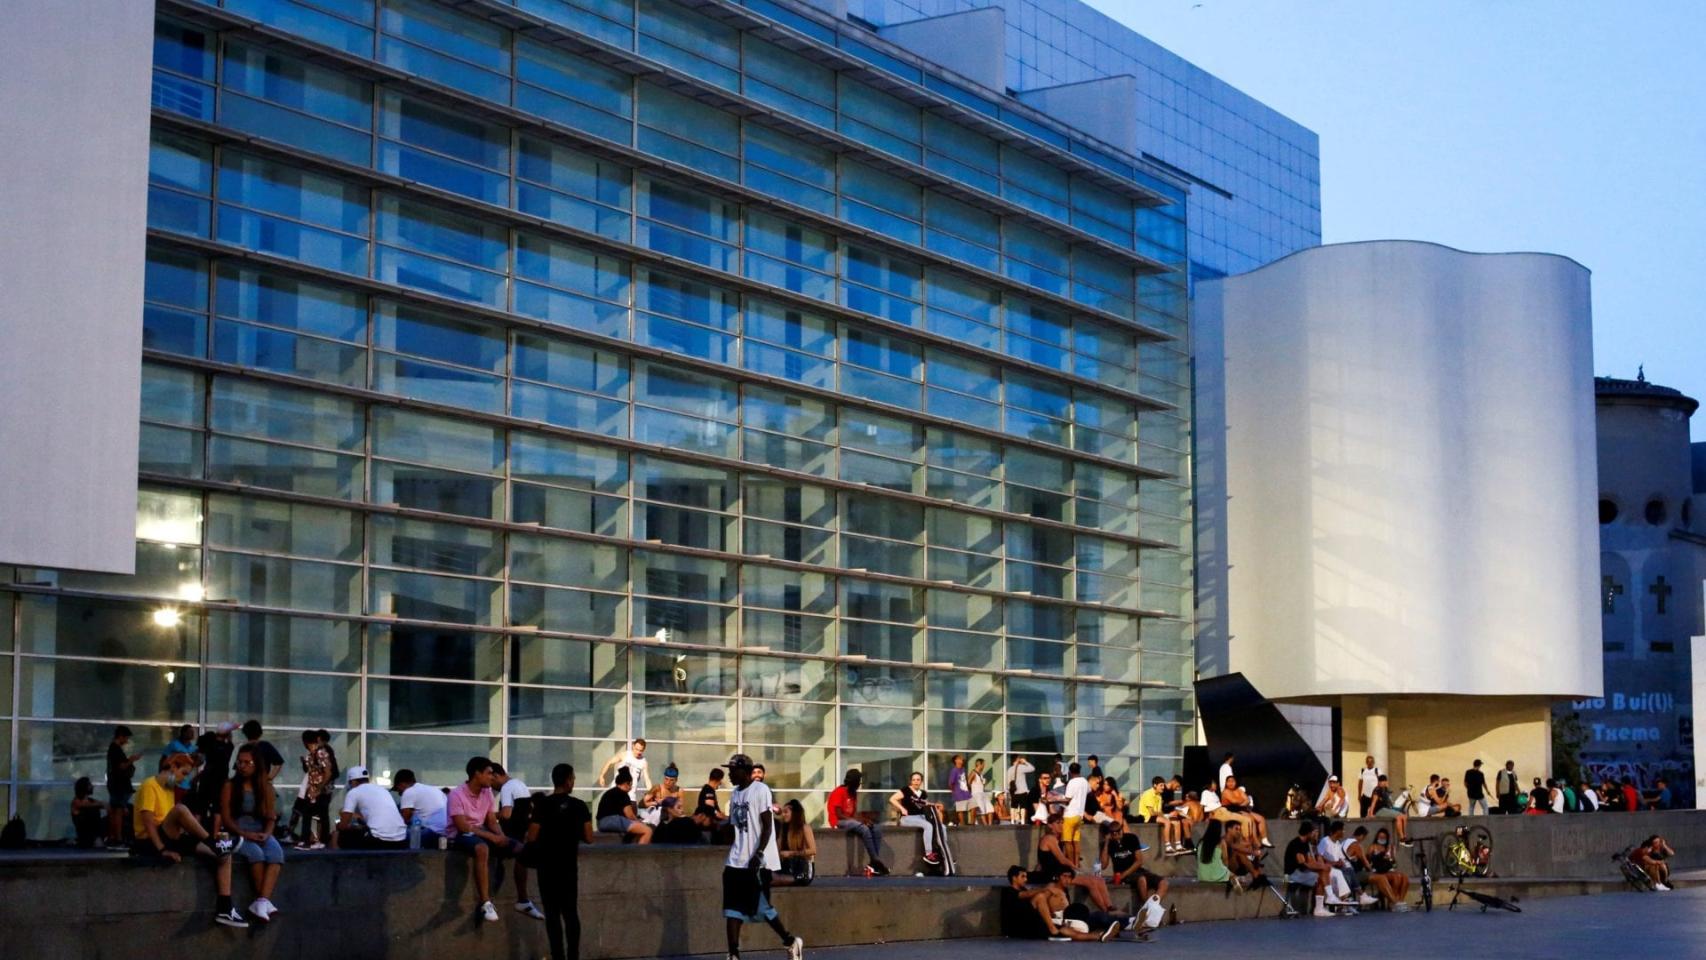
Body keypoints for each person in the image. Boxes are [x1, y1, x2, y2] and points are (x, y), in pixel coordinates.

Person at [133, 754, 248, 928]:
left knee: (225, 852)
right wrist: (162, 850)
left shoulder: (169, 790)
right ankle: (214, 844)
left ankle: (225, 906)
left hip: (168, 837)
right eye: (184, 773)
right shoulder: (150, 785)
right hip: (149, 841)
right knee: (180, 810)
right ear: (172, 768)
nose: (184, 778)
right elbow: (149, 823)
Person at [720, 754, 803, 960]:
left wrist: (759, 853)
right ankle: (733, 954)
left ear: (745, 772)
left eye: (733, 770)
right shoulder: (735, 793)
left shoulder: (760, 790)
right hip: (734, 861)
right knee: (732, 909)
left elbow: (768, 826)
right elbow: (735, 827)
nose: (729, 774)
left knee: (762, 908)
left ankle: (790, 941)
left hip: (755, 862)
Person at [527, 763, 593, 960]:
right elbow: (589, 837)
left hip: (546, 867)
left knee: (552, 914)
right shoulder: (579, 806)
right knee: (570, 913)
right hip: (568, 867)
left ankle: (558, 955)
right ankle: (574, 955)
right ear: (568, 780)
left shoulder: (542, 805)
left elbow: (531, 836)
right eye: (573, 778)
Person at [447, 756, 523, 923]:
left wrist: (502, 837)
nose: (492, 777)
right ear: (477, 774)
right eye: (489, 773)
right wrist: (492, 837)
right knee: (482, 849)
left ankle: (523, 900)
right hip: (460, 835)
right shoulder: (456, 794)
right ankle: (485, 902)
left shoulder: (487, 792)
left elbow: (490, 820)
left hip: (480, 830)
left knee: (518, 848)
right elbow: (462, 826)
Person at [219, 744, 283, 922]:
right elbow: (226, 819)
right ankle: (263, 901)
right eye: (240, 762)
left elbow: (271, 816)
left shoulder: (266, 787)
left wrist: (267, 834)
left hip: (261, 830)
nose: (243, 766)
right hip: (238, 831)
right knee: (256, 854)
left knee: (276, 853)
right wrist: (245, 834)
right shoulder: (230, 786)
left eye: (248, 762)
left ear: (257, 765)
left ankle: (261, 901)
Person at [1003, 866, 1124, 942]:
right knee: (1040, 897)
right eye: (1022, 876)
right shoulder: (1008, 891)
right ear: (1014, 878)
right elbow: (1025, 896)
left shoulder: (1026, 890)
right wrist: (1045, 890)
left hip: (1033, 922)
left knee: (1068, 931)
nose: (1026, 879)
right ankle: (1053, 929)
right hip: (1019, 926)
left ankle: (1100, 936)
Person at [491, 764, 544, 919]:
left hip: (509, 833)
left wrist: (490, 815)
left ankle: (489, 899)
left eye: (492, 780)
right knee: (521, 861)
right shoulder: (520, 784)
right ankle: (522, 898)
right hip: (520, 833)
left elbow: (506, 814)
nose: (491, 786)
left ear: (497, 775)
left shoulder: (507, 787)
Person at [1034, 814, 1117, 912]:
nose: (1061, 825)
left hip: (1061, 872)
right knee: (1090, 882)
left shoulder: (1058, 840)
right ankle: (1105, 910)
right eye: (1057, 823)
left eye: (1062, 823)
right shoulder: (1049, 838)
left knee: (1099, 880)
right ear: (1050, 825)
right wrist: (1077, 869)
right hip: (1053, 874)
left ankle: (1109, 906)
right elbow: (1062, 860)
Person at [825, 768, 888, 877]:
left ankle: (874, 864)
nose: (859, 784)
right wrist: (859, 821)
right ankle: (875, 859)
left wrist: (865, 819)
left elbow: (853, 814)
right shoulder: (839, 792)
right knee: (864, 828)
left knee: (876, 828)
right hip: (838, 821)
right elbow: (839, 814)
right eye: (858, 781)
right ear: (853, 781)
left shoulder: (853, 793)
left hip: (849, 820)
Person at [335, 765, 408, 851]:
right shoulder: (382, 790)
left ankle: (337, 861)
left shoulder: (353, 792)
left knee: (341, 835)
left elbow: (344, 825)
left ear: (353, 781)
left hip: (379, 841)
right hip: (402, 839)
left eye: (350, 783)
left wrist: (340, 826)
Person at [1284, 820, 1342, 918]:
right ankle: (1322, 905)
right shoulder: (1296, 843)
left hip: (1302, 872)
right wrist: (1322, 867)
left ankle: (1322, 906)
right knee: (1321, 876)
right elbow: (1303, 863)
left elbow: (1311, 862)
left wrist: (1322, 866)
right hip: (1292, 874)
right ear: (1308, 832)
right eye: (1314, 832)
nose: (1315, 834)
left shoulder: (1306, 843)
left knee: (1323, 873)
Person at [1103, 817, 1166, 904]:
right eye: (1114, 833)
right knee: (1141, 879)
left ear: (1122, 829)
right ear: (1110, 834)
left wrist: (1125, 874)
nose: (1117, 834)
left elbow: (1139, 861)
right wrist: (1106, 843)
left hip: (1136, 871)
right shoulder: (1109, 844)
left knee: (1163, 883)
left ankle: (1153, 905)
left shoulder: (1131, 838)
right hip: (1121, 873)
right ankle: (1146, 906)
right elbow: (1103, 865)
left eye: (1118, 831)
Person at [1317, 820, 1378, 908]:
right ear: (1338, 831)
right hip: (1328, 868)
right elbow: (1319, 856)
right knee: (1346, 872)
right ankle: (1355, 897)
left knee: (1348, 870)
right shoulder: (1325, 841)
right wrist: (1333, 863)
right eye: (1342, 830)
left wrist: (1340, 862)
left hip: (1337, 867)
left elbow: (1338, 858)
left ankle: (1359, 897)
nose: (1344, 832)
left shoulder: (1338, 843)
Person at [290, 729, 335, 848]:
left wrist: (319, 788)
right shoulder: (311, 755)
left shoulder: (320, 753)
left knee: (321, 814)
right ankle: (306, 840)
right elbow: (311, 772)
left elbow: (328, 772)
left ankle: (322, 841)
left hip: (322, 790)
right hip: (313, 789)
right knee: (308, 813)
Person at [889, 770, 945, 866]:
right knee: (928, 826)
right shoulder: (906, 790)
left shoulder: (923, 793)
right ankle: (928, 854)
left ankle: (943, 853)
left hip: (921, 817)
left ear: (921, 781)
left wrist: (935, 805)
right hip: (907, 818)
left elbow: (924, 803)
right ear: (911, 781)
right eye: (914, 780)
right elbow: (892, 799)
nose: (916, 782)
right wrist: (902, 808)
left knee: (942, 827)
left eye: (918, 780)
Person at [192, 722, 237, 820]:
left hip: (207, 778)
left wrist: (198, 776)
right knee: (217, 808)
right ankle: (216, 834)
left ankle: (195, 830)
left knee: (200, 806)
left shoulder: (210, 745)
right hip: (221, 779)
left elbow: (203, 760)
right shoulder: (228, 747)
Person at [105, 725, 141, 847]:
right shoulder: (115, 749)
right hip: (119, 785)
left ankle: (112, 836)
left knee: (115, 810)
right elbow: (121, 766)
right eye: (125, 738)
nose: (126, 741)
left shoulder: (113, 749)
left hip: (115, 784)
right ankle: (118, 838)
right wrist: (131, 760)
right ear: (120, 736)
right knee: (118, 811)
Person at [597, 767, 653, 843]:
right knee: (647, 830)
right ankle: (640, 853)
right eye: (631, 785)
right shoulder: (623, 794)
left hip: (601, 823)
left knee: (633, 829)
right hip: (614, 820)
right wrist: (640, 822)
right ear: (627, 783)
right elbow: (629, 815)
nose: (631, 788)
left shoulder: (608, 793)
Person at [393, 768, 448, 842]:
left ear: (401, 784)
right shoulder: (434, 789)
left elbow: (403, 821)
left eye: (398, 789)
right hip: (446, 833)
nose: (399, 794)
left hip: (432, 832)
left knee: (391, 836)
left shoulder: (408, 792)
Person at [1364, 827, 1411, 910]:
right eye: (1380, 837)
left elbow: (1394, 862)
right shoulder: (1373, 847)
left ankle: (1400, 900)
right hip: (1379, 870)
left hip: (1389, 869)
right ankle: (1392, 902)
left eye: (1383, 838)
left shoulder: (1390, 847)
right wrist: (1380, 856)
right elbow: (1368, 859)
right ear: (1377, 837)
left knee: (1405, 878)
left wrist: (1391, 857)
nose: (1381, 839)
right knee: (1397, 877)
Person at [1219, 776, 1271, 847]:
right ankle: (1255, 840)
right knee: (1250, 819)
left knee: (1261, 818)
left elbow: (1247, 800)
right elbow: (1234, 801)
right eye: (1229, 781)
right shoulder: (1225, 792)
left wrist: (1241, 802)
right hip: (1231, 810)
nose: (1231, 783)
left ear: (1236, 782)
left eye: (1233, 781)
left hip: (1241, 809)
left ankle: (1264, 839)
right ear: (1226, 783)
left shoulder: (1238, 790)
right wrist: (1242, 800)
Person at [775, 799, 817, 885]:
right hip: (787, 867)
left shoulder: (805, 828)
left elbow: (813, 850)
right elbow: (778, 850)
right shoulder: (783, 829)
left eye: (786, 812)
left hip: (802, 870)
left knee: (776, 880)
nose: (783, 815)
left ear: (794, 813)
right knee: (767, 877)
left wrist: (791, 853)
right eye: (782, 812)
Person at [1060, 762, 1090, 867]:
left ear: (1070, 771)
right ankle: (1077, 864)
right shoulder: (1085, 782)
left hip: (1070, 815)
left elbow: (1067, 799)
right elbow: (1088, 792)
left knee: (1068, 842)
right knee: (1076, 841)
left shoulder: (1071, 783)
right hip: (1079, 815)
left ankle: (1071, 864)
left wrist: (1054, 800)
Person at [1369, 774, 1413, 845]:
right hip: (1380, 810)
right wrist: (1371, 813)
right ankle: (1401, 838)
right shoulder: (1377, 790)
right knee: (1398, 817)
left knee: (1404, 816)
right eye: (1383, 782)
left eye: (1385, 782)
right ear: (1380, 782)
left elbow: (1388, 801)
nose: (1385, 783)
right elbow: (1373, 802)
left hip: (1386, 809)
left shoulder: (1385, 789)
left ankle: (1405, 836)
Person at [72, 777, 105, 849]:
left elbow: (105, 805)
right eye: (89, 785)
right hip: (85, 835)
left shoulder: (92, 801)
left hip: (95, 833)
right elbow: (83, 805)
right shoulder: (76, 801)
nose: (92, 786)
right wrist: (99, 804)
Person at [1007, 755, 1035, 825]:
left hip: (1013, 791)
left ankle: (1012, 820)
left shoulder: (1009, 769)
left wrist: (1009, 789)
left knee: (1013, 806)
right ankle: (1022, 820)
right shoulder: (1021, 767)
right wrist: (1025, 762)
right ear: (1017, 759)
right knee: (1023, 806)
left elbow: (1008, 781)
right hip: (1022, 790)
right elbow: (1032, 768)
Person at [946, 754, 973, 825]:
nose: (962, 760)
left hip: (967, 793)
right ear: (956, 760)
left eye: (962, 759)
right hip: (959, 794)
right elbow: (950, 783)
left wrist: (969, 788)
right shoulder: (954, 771)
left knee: (973, 807)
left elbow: (965, 780)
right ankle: (962, 825)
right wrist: (955, 792)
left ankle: (972, 823)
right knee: (960, 810)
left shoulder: (963, 769)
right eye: (960, 759)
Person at [969, 758, 994, 825]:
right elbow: (968, 782)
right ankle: (986, 826)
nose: (984, 766)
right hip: (976, 794)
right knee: (982, 810)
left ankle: (990, 825)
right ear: (979, 764)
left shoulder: (980, 774)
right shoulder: (973, 772)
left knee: (990, 809)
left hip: (982, 793)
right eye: (983, 764)